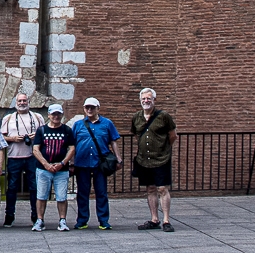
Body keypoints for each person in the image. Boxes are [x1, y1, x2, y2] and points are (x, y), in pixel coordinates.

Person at [71, 96, 122, 230]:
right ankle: (82, 220)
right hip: (82, 162)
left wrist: (118, 158)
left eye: (92, 107)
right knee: (82, 193)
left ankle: (103, 220)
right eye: (87, 107)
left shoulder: (107, 123)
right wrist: (71, 162)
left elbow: (113, 141)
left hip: (100, 162)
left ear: (98, 108)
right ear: (84, 109)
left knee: (101, 192)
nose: (89, 110)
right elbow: (73, 145)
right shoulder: (78, 125)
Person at [131, 87, 177, 233]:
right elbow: (137, 135)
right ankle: (154, 219)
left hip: (161, 158)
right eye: (144, 98)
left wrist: (163, 148)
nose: (146, 101)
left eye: (148, 98)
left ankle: (166, 220)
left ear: (154, 100)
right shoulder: (137, 117)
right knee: (150, 188)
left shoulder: (164, 116)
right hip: (144, 160)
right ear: (140, 100)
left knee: (162, 188)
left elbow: (173, 135)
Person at [1, 90, 44, 227]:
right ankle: (9, 216)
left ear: (29, 102)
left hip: (33, 157)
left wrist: (36, 136)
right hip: (14, 156)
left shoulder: (37, 117)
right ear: (16, 103)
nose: (22, 103)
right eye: (19, 101)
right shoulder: (8, 118)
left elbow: (44, 134)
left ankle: (36, 216)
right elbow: (1, 138)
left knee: (34, 187)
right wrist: (13, 138)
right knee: (12, 187)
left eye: (24, 100)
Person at [30, 103, 74, 232]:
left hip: (62, 170)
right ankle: (40, 220)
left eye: (58, 114)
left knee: (61, 196)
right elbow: (36, 149)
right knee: (41, 196)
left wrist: (62, 163)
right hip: (43, 169)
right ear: (49, 115)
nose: (56, 116)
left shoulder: (67, 130)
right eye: (53, 114)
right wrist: (46, 164)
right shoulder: (42, 130)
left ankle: (62, 220)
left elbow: (72, 148)